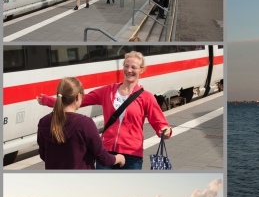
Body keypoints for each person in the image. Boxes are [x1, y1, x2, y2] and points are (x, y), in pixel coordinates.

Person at [37, 52, 171, 170]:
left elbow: (160, 123)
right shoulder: (108, 91)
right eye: (126, 66)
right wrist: (49, 101)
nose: (129, 70)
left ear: (141, 70)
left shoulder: (146, 97)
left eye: (133, 67)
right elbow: (76, 100)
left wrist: (165, 131)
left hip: (132, 155)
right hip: (106, 153)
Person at [37, 77, 125, 169]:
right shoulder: (85, 124)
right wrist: (119, 158)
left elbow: (44, 155)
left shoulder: (44, 122)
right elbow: (103, 158)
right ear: (78, 97)